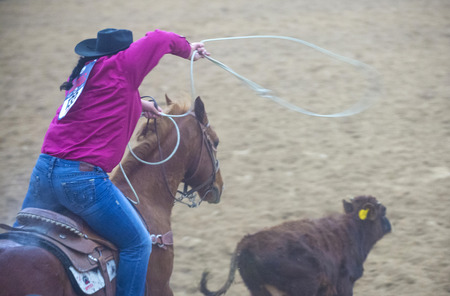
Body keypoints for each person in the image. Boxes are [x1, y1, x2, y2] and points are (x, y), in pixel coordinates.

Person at [15, 28, 209, 296]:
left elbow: (99, 102)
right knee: (138, 243)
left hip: (44, 173)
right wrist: (188, 50)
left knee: (19, 240)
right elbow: (159, 39)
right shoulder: (122, 65)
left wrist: (139, 104)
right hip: (82, 181)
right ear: (124, 53)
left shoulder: (87, 71)